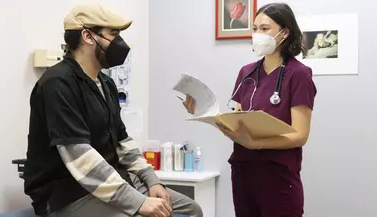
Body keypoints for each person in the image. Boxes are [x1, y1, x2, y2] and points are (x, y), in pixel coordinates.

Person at [24, 3, 203, 217]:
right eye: (114, 34)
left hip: (111, 184)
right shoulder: (58, 83)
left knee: (192, 210)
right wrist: (138, 202)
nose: (120, 43)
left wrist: (151, 180)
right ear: (88, 36)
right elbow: (80, 158)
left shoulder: (105, 83)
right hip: (68, 195)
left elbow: (122, 142)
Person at [183, 3, 317, 217]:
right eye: (254, 28)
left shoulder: (299, 74)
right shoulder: (246, 73)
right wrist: (202, 111)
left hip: (278, 176)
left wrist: (258, 144)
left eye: (265, 29)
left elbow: (300, 135)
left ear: (285, 32)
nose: (257, 34)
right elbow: (235, 122)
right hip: (244, 172)